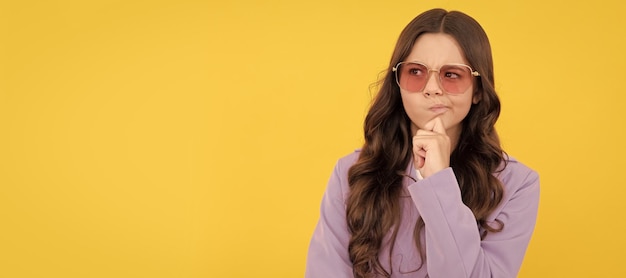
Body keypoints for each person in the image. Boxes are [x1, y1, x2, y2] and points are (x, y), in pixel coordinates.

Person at [305, 8, 540, 278]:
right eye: (415, 72)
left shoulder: (517, 184)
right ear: (398, 84)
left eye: (451, 74)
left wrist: (439, 182)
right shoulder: (351, 173)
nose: (432, 88)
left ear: (477, 90)